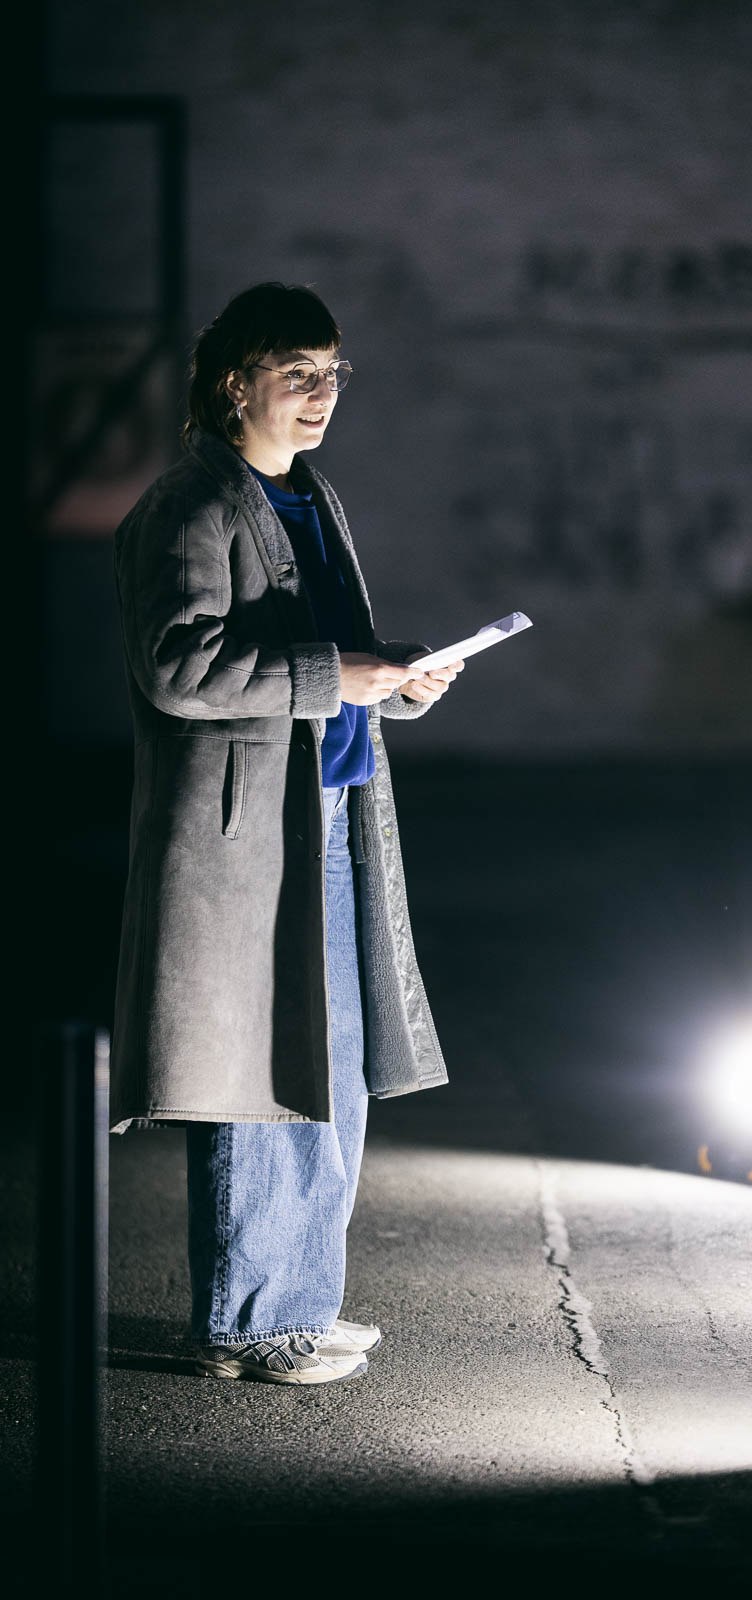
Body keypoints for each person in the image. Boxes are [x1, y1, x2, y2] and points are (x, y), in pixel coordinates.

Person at [111, 281, 463, 1383]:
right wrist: (335, 674)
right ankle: (249, 1324)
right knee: (263, 1073)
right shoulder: (192, 504)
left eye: (332, 373)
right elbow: (176, 668)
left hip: (328, 813)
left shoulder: (309, 496)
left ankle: (295, 1303)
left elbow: (333, 656)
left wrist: (396, 677)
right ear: (236, 384)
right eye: (297, 373)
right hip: (246, 840)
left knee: (330, 1071)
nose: (321, 394)